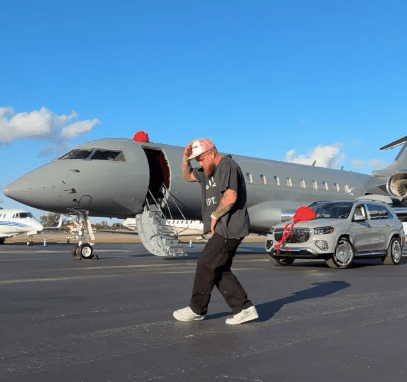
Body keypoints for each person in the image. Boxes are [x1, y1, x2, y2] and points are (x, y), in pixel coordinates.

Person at [173, 138, 258, 325]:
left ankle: (197, 309)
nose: (200, 163)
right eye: (197, 161)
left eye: (201, 159)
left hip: (230, 226)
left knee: (205, 263)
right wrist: (185, 158)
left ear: (211, 152)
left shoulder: (227, 165)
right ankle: (245, 309)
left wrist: (214, 216)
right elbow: (187, 176)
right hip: (223, 226)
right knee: (218, 269)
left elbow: (231, 196)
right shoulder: (206, 172)